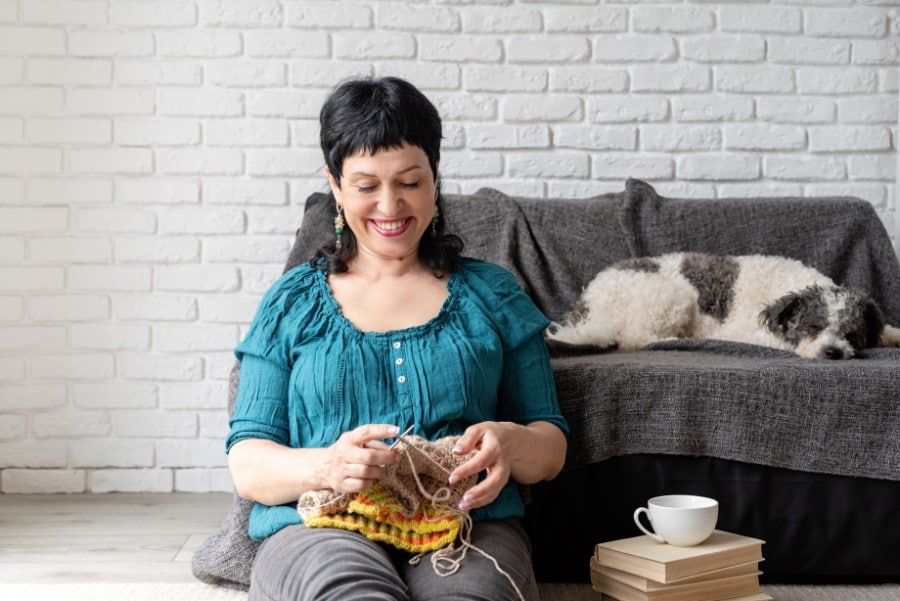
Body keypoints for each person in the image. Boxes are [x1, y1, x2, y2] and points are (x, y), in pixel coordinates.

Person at [226, 76, 569, 601]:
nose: (390, 206)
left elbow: (550, 445)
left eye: (409, 181)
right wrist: (326, 465)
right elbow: (248, 459)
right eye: (366, 185)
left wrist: (510, 442)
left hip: (468, 528)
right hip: (322, 528)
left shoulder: (491, 293)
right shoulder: (291, 301)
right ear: (335, 186)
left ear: (434, 179)